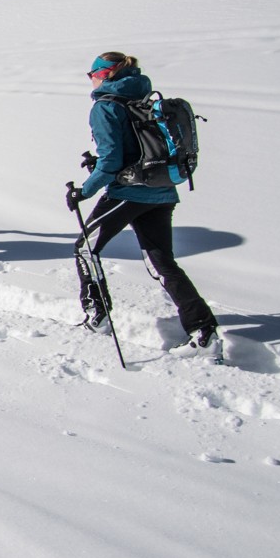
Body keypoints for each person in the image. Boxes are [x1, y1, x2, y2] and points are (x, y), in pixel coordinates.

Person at [66, 52, 220, 357]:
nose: (91, 79)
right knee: (161, 262)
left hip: (128, 193)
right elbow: (133, 149)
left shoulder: (106, 106)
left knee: (85, 249)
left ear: (106, 74)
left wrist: (84, 191)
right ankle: (204, 332)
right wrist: (99, 163)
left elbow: (112, 161)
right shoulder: (142, 98)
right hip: (162, 191)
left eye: (92, 74)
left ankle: (97, 316)